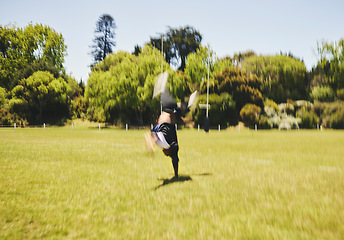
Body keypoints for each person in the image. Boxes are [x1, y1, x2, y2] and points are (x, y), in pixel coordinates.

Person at [151, 92, 183, 178]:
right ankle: (176, 175)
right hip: (166, 126)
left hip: (162, 125)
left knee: (172, 150)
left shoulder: (168, 109)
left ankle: (154, 136)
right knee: (173, 151)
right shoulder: (171, 110)